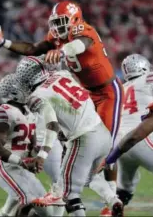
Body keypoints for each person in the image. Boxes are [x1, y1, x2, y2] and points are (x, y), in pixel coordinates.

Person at [0, 3, 124, 215]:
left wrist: (62, 51)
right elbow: (32, 49)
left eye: (61, 22)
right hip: (86, 91)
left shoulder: (83, 31)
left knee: (103, 156)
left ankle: (109, 199)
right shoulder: (60, 71)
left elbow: (81, 44)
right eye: (54, 23)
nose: (57, 27)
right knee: (86, 149)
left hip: (108, 92)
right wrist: (4, 42)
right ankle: (103, 199)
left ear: (74, 19)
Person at [14, 55, 123, 217]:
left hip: (84, 139)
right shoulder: (62, 74)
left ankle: (59, 198)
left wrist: (42, 155)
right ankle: (113, 200)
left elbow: (52, 125)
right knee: (88, 178)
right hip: (102, 133)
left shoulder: (37, 95)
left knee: (67, 194)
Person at [0, 73, 53, 217]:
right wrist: (22, 163)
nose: (29, 89)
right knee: (27, 201)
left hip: (22, 167)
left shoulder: (29, 112)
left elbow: (32, 145)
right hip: (6, 166)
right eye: (24, 86)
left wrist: (37, 158)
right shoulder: (3, 110)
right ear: (14, 91)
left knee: (47, 210)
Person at [96, 54, 153, 209]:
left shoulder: (121, 88)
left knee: (123, 192)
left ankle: (109, 211)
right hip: (141, 137)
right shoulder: (148, 78)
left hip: (120, 145)